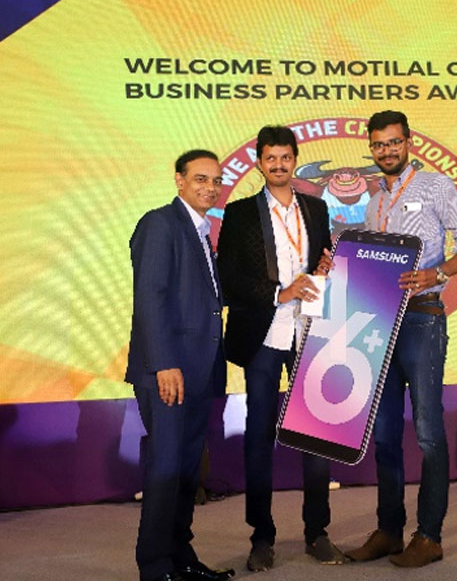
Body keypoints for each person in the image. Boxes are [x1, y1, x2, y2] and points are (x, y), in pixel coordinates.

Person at [345, 111, 457, 567]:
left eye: (393, 142)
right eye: (378, 144)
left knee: (426, 432)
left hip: (422, 319)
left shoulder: (436, 186)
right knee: (384, 434)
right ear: (371, 148)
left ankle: (429, 536)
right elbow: (373, 262)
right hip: (381, 322)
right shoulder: (373, 202)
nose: (386, 151)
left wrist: (436, 273)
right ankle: (389, 531)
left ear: (409, 142)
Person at [217, 126, 343, 571]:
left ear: (295, 159)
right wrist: (279, 293)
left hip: (311, 332)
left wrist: (326, 266)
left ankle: (317, 532)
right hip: (264, 335)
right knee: (259, 435)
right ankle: (261, 537)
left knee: (316, 434)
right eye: (270, 158)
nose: (278, 165)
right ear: (259, 163)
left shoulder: (316, 207)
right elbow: (229, 277)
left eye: (285, 157)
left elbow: (322, 264)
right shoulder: (239, 213)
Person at [124, 149, 235, 581]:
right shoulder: (160, 224)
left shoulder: (202, 230)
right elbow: (149, 297)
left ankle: (181, 558)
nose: (210, 187)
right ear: (179, 180)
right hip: (168, 372)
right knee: (168, 469)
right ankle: (155, 568)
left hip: (198, 372)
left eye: (216, 180)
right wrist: (164, 363)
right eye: (200, 179)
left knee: (188, 471)